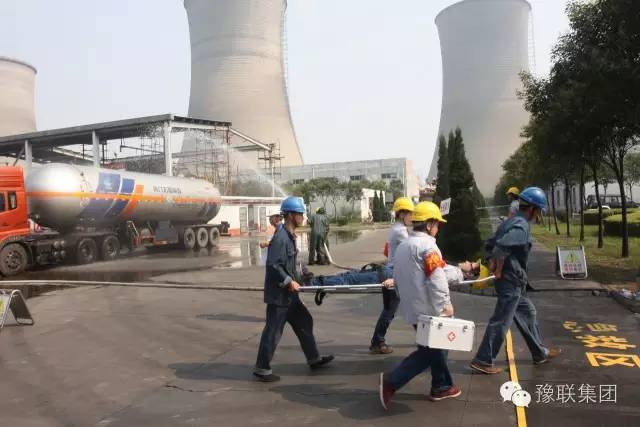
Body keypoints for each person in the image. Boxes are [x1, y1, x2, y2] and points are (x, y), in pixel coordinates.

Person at [379, 202, 462, 410]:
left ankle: (441, 386)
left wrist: (460, 272)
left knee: (435, 349)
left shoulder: (404, 246)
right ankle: (391, 381)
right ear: (429, 224)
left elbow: (401, 277)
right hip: (430, 310)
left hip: (414, 309)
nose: (438, 228)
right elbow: (437, 278)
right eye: (437, 224)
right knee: (430, 352)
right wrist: (445, 305)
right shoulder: (428, 247)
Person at [470, 187, 561, 375]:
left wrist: (492, 262)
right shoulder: (521, 226)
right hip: (510, 281)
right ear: (533, 209)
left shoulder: (510, 221)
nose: (538, 215)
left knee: (528, 311)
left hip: (513, 281)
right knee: (502, 320)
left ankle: (539, 352)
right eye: (539, 211)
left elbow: (490, 244)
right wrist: (498, 269)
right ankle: (483, 360)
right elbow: (500, 247)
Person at [254, 196, 334, 382]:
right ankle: (262, 368)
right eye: (300, 214)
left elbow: (290, 263)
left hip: (291, 296)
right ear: (290, 215)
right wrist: (289, 281)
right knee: (273, 331)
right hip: (279, 295)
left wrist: (302, 274)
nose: (302, 217)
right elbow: (273, 265)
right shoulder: (281, 237)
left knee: (304, 321)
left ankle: (313, 358)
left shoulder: (289, 237)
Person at [369, 197, 414, 355]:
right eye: (410, 213)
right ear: (402, 214)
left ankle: (377, 341)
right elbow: (413, 247)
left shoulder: (398, 228)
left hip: (392, 270)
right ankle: (377, 341)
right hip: (393, 273)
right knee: (390, 310)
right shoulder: (400, 231)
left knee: (390, 309)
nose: (412, 217)